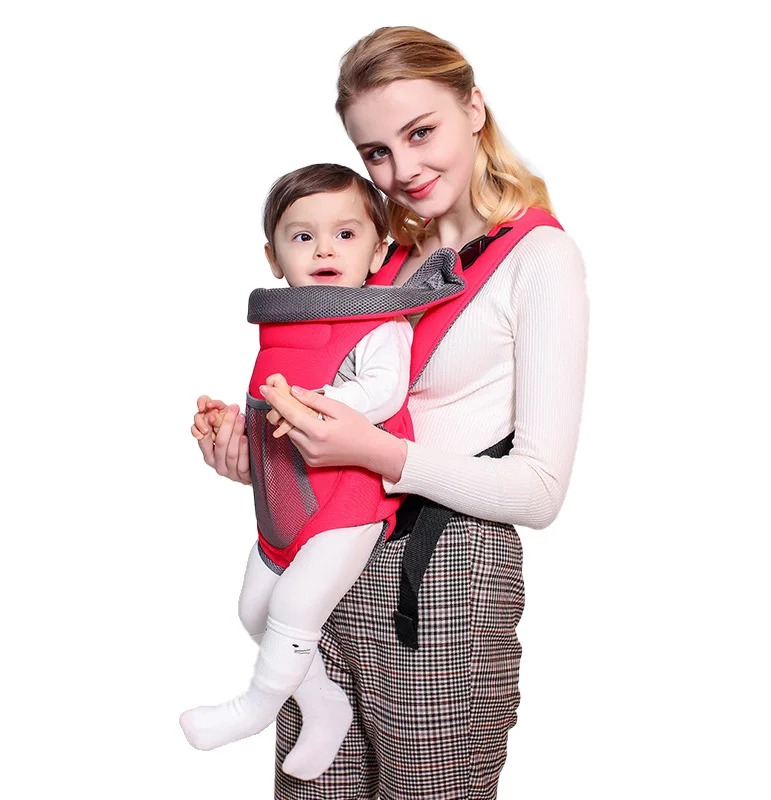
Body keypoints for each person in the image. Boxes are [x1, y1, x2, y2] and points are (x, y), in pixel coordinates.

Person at [194, 26, 589, 799]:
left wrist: (373, 452)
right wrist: (253, 452)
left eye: (420, 132)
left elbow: (541, 491)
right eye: (376, 151)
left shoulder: (541, 260)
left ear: (473, 108)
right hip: (331, 557)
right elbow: (336, 424)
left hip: (442, 577)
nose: (402, 170)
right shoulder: (380, 257)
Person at [183, 163, 448, 776]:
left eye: (345, 235)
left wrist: (315, 402)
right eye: (303, 237)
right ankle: (323, 702)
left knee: (297, 602)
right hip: (284, 501)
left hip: (349, 504)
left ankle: (256, 707)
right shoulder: (281, 328)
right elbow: (268, 413)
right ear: (273, 258)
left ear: (378, 251)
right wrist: (232, 429)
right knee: (253, 611)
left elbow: (383, 391)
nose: (325, 249)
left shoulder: (379, 322)